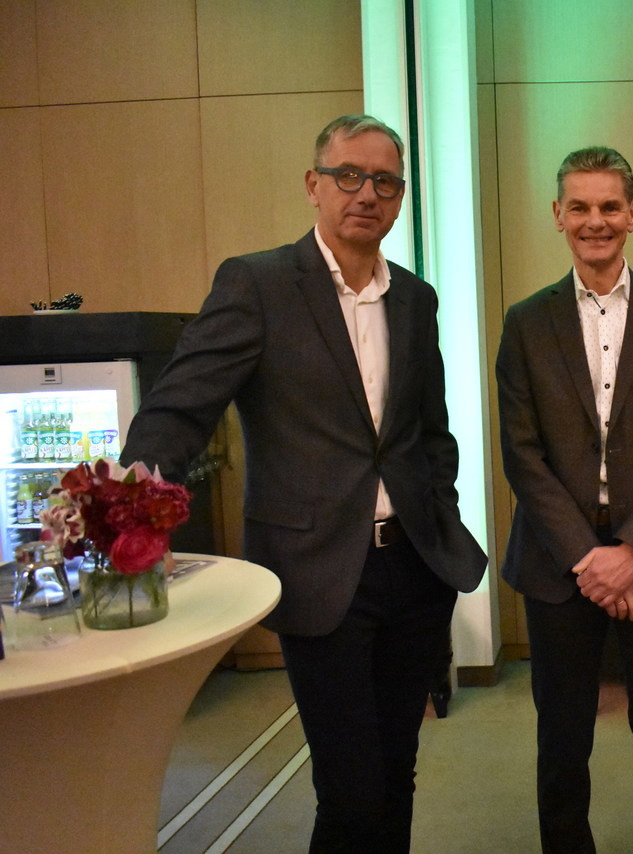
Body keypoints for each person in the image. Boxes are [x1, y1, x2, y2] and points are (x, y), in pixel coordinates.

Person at [121, 114, 487, 853]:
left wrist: (440, 512)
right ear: (314, 184)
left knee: (398, 772)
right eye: (348, 175)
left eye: (385, 182)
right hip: (319, 572)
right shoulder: (257, 284)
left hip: (415, 568)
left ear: (400, 197)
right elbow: (183, 402)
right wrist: (136, 499)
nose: (366, 193)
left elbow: (431, 432)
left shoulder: (414, 299)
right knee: (350, 793)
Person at [496, 146, 633, 854]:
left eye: (610, 206)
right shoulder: (526, 323)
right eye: (580, 207)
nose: (596, 221)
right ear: (558, 215)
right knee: (562, 741)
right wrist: (590, 559)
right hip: (558, 566)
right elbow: (522, 456)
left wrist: (631, 553)